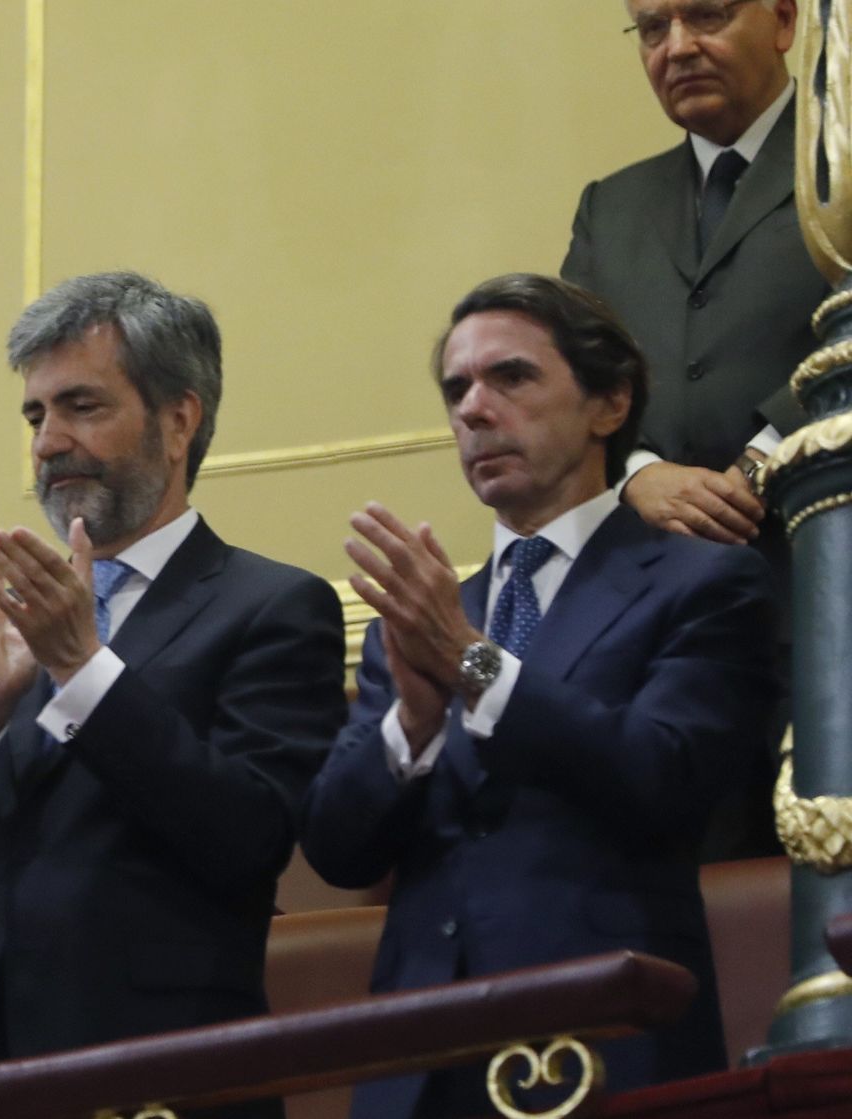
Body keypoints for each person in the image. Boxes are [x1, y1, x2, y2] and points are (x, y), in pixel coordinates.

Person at [0, 271, 348, 1118]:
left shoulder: (272, 606)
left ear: (179, 419)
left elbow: (250, 836)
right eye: (36, 415)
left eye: (82, 406)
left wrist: (86, 671)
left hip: (149, 1073)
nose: (47, 442)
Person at [302, 274, 778, 1119]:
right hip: (420, 1063)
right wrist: (411, 724)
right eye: (457, 389)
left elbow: (662, 777)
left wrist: (471, 663)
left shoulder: (704, 581)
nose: (475, 409)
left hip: (607, 1044)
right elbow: (340, 851)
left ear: (609, 402)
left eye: (512, 377)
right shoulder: (419, 619)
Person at [562, 0, 822, 855]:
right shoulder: (612, 207)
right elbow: (565, 388)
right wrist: (635, 472)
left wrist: (765, 452)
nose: (678, 47)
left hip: (823, 599)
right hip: (664, 647)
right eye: (651, 28)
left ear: (784, 20)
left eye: (706, 15)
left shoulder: (844, 164)